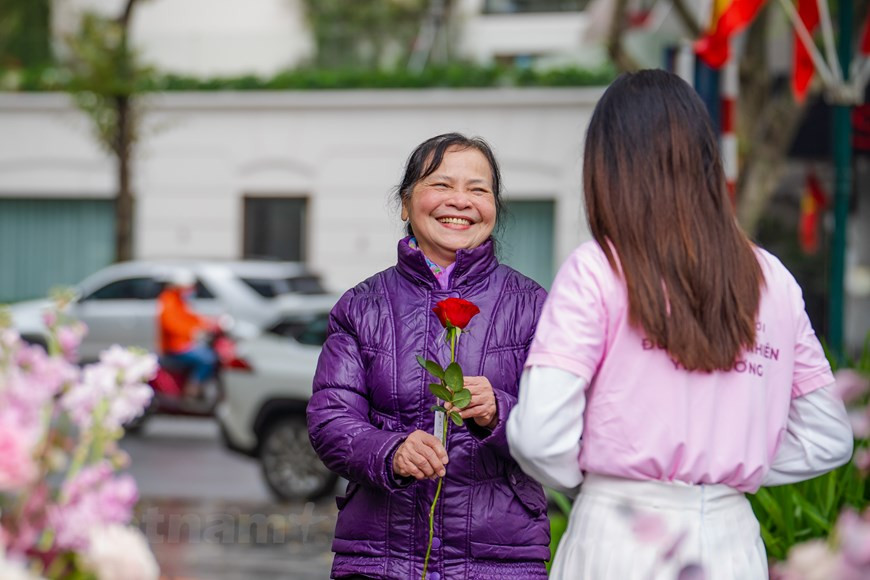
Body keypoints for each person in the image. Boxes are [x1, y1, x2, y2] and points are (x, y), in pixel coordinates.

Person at [507, 70, 854, 580]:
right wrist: (735, 466)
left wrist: (600, 475)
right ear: (706, 163)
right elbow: (829, 436)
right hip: (733, 546)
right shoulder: (772, 280)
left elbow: (539, 437)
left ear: (608, 166)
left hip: (621, 535)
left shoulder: (599, 269)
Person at [307, 133, 551, 579]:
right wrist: (390, 450)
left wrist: (499, 410)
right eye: (441, 185)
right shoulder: (363, 306)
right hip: (381, 559)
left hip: (499, 560)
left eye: (478, 189)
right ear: (405, 204)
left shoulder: (534, 306)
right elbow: (330, 421)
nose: (460, 201)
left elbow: (562, 426)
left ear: (494, 207)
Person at [157, 269, 217, 399]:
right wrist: (193, 331)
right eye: (189, 287)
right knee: (207, 358)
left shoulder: (180, 301)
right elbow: (170, 323)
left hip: (185, 344)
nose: (191, 290)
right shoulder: (168, 300)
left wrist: (209, 323)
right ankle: (192, 388)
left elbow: (191, 317)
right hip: (175, 347)